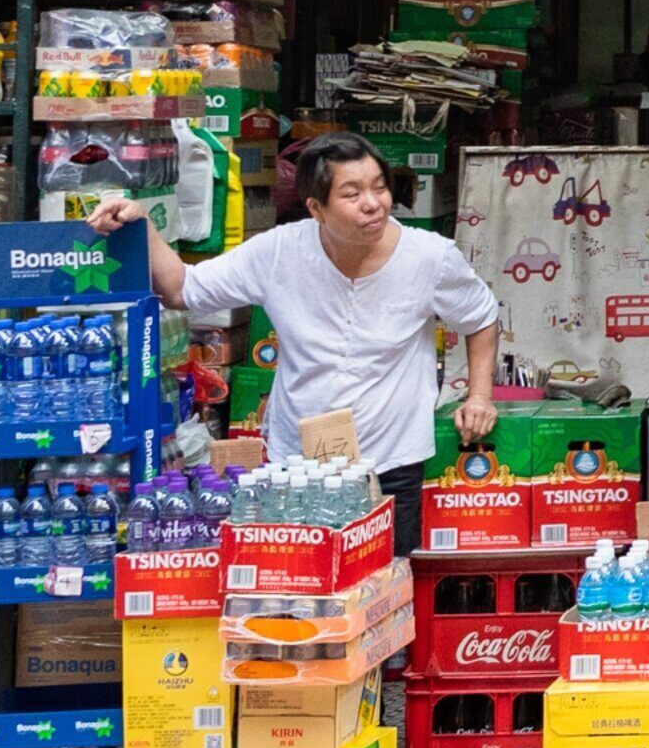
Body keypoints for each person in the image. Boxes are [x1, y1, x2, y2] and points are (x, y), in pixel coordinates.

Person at [85, 130, 502, 536]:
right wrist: (143, 226)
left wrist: (480, 395)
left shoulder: (429, 257)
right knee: (300, 575)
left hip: (391, 461)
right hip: (299, 468)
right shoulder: (279, 252)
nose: (373, 203)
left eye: (379, 187)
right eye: (352, 194)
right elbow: (182, 289)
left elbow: (480, 316)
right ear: (316, 208)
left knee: (388, 577)